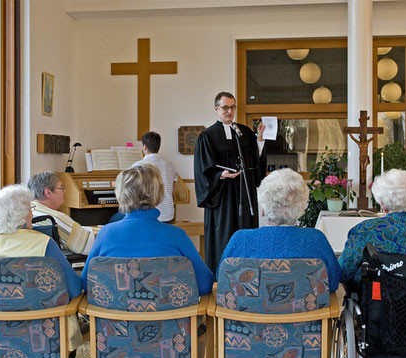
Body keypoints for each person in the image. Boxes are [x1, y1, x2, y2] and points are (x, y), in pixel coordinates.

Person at [0, 185, 86, 358]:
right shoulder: (43, 244)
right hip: (48, 337)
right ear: (19, 216)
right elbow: (74, 289)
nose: (31, 213)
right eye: (30, 208)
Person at [81, 164, 214, 295]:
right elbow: (205, 285)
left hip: (113, 317)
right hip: (168, 316)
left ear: (121, 194)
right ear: (159, 193)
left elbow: (87, 284)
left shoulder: (105, 234)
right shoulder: (177, 235)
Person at [218, 168, 341, 292]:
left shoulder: (240, 239)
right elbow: (334, 281)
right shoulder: (316, 239)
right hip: (305, 311)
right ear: (302, 210)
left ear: (262, 209)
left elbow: (221, 278)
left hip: (247, 311)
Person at [194, 91, 267, 273]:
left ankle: (248, 272)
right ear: (216, 109)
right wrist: (221, 174)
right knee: (225, 236)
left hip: (244, 191)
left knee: (245, 232)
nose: (229, 111)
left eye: (232, 107)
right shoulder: (207, 136)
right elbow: (204, 169)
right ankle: (222, 274)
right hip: (222, 196)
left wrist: (259, 140)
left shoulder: (244, 133)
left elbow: (255, 163)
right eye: (225, 107)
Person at [28, 171, 95, 255]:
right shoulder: (56, 218)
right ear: (48, 192)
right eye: (61, 188)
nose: (65, 191)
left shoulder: (27, 211)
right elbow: (89, 246)